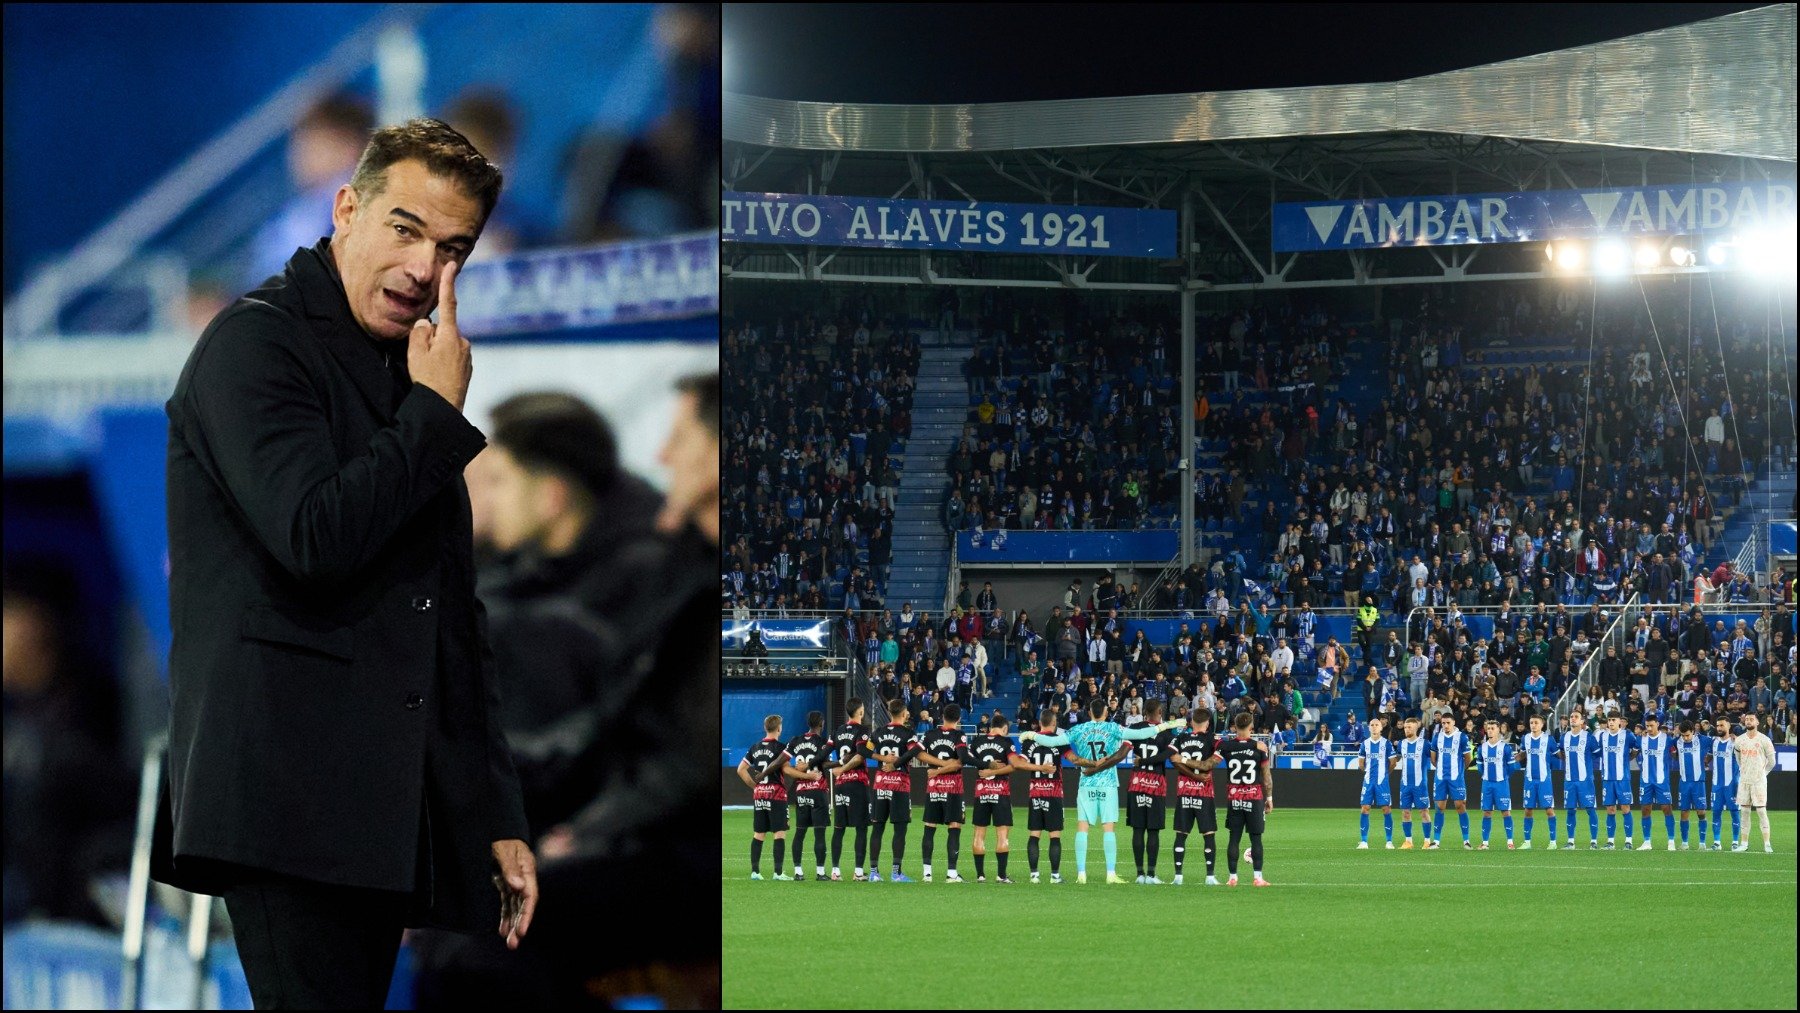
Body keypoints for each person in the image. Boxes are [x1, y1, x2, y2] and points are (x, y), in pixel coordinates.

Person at [156, 118, 535, 1009]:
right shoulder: (255, 344)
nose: (422, 270)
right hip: (284, 800)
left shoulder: (408, 369)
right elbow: (314, 537)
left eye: (453, 249)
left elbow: (449, 611)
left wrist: (494, 813)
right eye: (405, 229)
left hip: (373, 807)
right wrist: (436, 417)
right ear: (346, 210)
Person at [1021, 698, 1180, 884]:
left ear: (1089, 713)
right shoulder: (1113, 728)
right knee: (1108, 828)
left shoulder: (1078, 729)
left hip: (1086, 782)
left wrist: (1030, 735)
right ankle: (1110, 874)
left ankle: (1081, 874)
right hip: (1108, 783)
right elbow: (1142, 733)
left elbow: (1051, 741)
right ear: (1105, 712)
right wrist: (1165, 726)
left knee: (1083, 827)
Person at [862, 697, 925, 882]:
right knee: (900, 830)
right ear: (904, 714)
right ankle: (896, 873)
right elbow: (915, 750)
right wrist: (896, 762)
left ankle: (873, 872)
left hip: (880, 784)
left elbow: (864, 751)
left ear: (890, 713)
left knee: (877, 828)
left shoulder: (878, 732)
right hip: (899, 786)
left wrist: (881, 758)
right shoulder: (908, 733)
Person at [1216, 712, 1274, 887]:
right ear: (1251, 726)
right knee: (1256, 839)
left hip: (1234, 797)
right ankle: (1258, 878)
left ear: (1234, 725)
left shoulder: (1226, 746)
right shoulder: (1260, 747)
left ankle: (1232, 878)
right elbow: (1267, 777)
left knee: (1234, 838)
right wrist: (1269, 797)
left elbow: (1212, 759)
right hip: (1254, 797)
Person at [918, 703, 972, 882]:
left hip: (934, 787)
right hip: (954, 788)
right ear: (959, 719)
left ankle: (927, 873)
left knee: (929, 827)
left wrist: (936, 769)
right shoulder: (959, 735)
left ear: (942, 716)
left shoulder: (930, 734)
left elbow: (918, 753)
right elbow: (960, 762)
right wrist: (946, 765)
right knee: (954, 828)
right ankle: (951, 874)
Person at [1168, 709, 1222, 885]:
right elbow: (1208, 765)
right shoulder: (1213, 739)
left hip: (1184, 792)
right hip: (1204, 792)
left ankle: (1177, 876)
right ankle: (1210, 876)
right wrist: (1198, 777)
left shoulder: (1181, 738)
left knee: (1181, 834)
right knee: (1208, 834)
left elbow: (1174, 759)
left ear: (1191, 723)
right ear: (1207, 723)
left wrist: (1184, 763)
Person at [1124, 700, 1176, 882]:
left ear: (1144, 712)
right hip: (1156, 783)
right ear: (1160, 711)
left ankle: (1140, 875)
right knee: (1153, 830)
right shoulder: (1166, 733)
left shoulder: (1135, 728)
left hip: (1137, 781)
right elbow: (1167, 755)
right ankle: (1151, 875)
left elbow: (1124, 749)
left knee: (1138, 829)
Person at [969, 712, 1023, 883]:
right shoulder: (1006, 742)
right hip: (1000, 792)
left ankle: (980, 875)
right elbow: (1014, 765)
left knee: (979, 833)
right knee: (1002, 834)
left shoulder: (977, 741)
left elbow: (966, 759)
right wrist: (995, 771)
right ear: (1005, 728)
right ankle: (1001, 875)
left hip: (981, 792)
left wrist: (986, 769)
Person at [1016, 708, 1068, 884]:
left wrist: (1038, 768)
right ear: (1053, 724)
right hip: (1053, 793)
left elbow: (1021, 764)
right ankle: (1054, 876)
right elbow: (1073, 758)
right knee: (1054, 835)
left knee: (1034, 834)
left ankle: (1034, 876)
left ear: (1039, 723)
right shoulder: (1059, 740)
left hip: (1035, 792)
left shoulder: (1029, 742)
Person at [738, 716, 790, 880]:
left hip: (760, 794)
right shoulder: (781, 747)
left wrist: (756, 786)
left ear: (765, 728)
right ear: (779, 728)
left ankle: (755, 872)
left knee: (759, 833)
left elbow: (741, 769)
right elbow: (787, 769)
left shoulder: (755, 747)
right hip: (776, 793)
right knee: (779, 832)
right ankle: (778, 873)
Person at [827, 698, 874, 880]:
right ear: (860, 712)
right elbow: (861, 756)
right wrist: (844, 768)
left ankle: (835, 871)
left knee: (839, 828)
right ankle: (858, 872)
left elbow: (824, 755)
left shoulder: (837, 731)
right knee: (861, 828)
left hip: (840, 786)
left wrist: (835, 769)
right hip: (857, 784)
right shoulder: (863, 731)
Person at [784, 711, 834, 878]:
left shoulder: (795, 740)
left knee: (800, 832)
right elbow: (826, 765)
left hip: (801, 792)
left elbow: (785, 766)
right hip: (818, 791)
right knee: (819, 833)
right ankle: (820, 872)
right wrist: (843, 762)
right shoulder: (824, 742)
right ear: (821, 724)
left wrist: (801, 772)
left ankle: (798, 872)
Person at [1732, 713, 1776, 853]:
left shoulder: (1764, 740)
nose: (1748, 721)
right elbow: (1738, 759)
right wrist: (1745, 772)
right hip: (1744, 781)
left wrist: (1762, 774)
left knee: (1761, 811)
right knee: (1744, 812)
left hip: (1759, 782)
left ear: (1757, 722)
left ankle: (1767, 844)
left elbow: (1772, 762)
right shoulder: (1739, 740)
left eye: (1751, 719)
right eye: (1746, 719)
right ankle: (1744, 844)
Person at [1427, 713, 1473, 849]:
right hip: (1440, 778)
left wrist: (1459, 771)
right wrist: (1441, 769)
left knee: (1460, 806)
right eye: (1443, 723)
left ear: (1453, 723)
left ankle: (1466, 841)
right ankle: (1436, 841)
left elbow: (1468, 758)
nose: (1445, 725)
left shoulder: (1462, 737)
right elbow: (1433, 758)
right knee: (1439, 807)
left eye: (1448, 723)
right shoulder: (1437, 737)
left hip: (1456, 779)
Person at [1559, 709, 1603, 849]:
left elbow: (1596, 754)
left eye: (1576, 717)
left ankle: (1594, 841)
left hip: (1585, 780)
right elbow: (1562, 753)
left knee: (1590, 809)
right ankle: (1571, 841)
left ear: (1582, 721)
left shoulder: (1589, 737)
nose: (1572, 719)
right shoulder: (1564, 737)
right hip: (1569, 780)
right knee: (1571, 810)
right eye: (1571, 716)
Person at [1596, 712, 1638, 849]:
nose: (1611, 722)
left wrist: (1627, 759)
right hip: (1607, 779)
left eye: (1614, 720)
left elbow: (1636, 749)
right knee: (1610, 809)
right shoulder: (1603, 736)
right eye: (1609, 720)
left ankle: (1629, 841)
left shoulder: (1627, 735)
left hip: (1623, 779)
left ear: (1620, 721)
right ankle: (1610, 841)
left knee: (1625, 808)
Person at [1634, 716, 1676, 851]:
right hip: (1645, 781)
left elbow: (1678, 748)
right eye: (1647, 726)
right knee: (1645, 810)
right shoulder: (1641, 739)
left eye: (1652, 725)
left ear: (1657, 724)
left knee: (1666, 808)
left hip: (1661, 781)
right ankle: (1647, 842)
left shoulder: (1667, 739)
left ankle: (1671, 841)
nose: (1649, 728)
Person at [1352, 716, 1394, 849]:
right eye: (1372, 725)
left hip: (1382, 781)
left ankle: (1389, 841)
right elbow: (1361, 763)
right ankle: (1364, 841)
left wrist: (1385, 773)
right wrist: (1368, 772)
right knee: (1365, 808)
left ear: (1381, 728)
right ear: (1368, 727)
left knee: (1386, 809)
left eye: (1377, 725)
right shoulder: (1365, 744)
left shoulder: (1386, 743)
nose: (1374, 727)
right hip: (1368, 781)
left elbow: (1393, 762)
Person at [1517, 714, 1558, 849]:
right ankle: (1527, 842)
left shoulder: (1549, 739)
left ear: (1542, 724)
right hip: (1529, 780)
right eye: (1531, 722)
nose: (1533, 725)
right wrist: (1512, 760)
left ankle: (1553, 841)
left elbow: (1559, 754)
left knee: (1549, 810)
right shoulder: (1526, 738)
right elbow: (1523, 754)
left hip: (1544, 780)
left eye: (1536, 722)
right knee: (1528, 810)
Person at [1475, 720, 1516, 850]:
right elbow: (1480, 767)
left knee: (1505, 812)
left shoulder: (1505, 748)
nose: (1490, 730)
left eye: (1493, 728)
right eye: (1488, 728)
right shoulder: (1482, 748)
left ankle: (1510, 842)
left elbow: (1511, 768)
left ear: (1499, 730)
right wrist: (1486, 777)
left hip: (1501, 784)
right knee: (1487, 812)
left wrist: (1503, 778)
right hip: (1487, 784)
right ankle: (1485, 843)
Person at [1396, 716, 1431, 849]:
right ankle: (1408, 841)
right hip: (1405, 784)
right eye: (1405, 727)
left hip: (1420, 784)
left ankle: (1427, 841)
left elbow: (1434, 759)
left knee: (1424, 811)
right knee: (1405, 812)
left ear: (1416, 727)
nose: (1406, 729)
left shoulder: (1425, 744)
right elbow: (1397, 758)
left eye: (1409, 727)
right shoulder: (1401, 744)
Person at [1707, 716, 1741, 850]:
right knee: (1716, 812)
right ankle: (1717, 842)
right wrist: (1705, 761)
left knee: (1734, 812)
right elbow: (1709, 756)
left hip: (1732, 784)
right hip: (1717, 784)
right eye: (1717, 725)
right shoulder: (1714, 742)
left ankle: (1735, 842)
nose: (1719, 728)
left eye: (1722, 725)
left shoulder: (1736, 742)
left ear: (1728, 726)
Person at [1675, 721, 1710, 850]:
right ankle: (1684, 843)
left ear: (1693, 732)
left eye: (1688, 735)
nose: (1685, 738)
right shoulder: (1677, 741)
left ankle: (1702, 843)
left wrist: (1731, 735)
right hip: (1684, 782)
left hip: (1698, 783)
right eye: (1683, 735)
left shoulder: (1704, 740)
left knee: (1701, 812)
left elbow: (1717, 743)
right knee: (1684, 812)